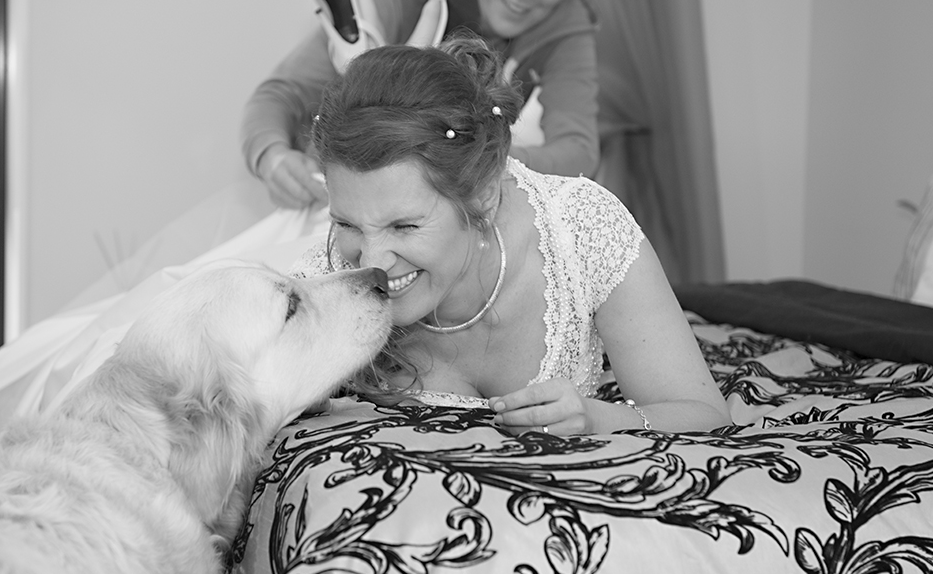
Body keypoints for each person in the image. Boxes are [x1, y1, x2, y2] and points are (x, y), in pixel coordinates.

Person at [292, 37, 730, 435]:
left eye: (404, 226)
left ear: (482, 196)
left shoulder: (581, 232)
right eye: (347, 224)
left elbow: (704, 414)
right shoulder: (322, 287)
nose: (372, 261)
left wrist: (603, 418)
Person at [244, 0, 602, 210]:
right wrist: (273, 157)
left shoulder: (565, 21)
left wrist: (476, 158)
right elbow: (279, 95)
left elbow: (579, 151)